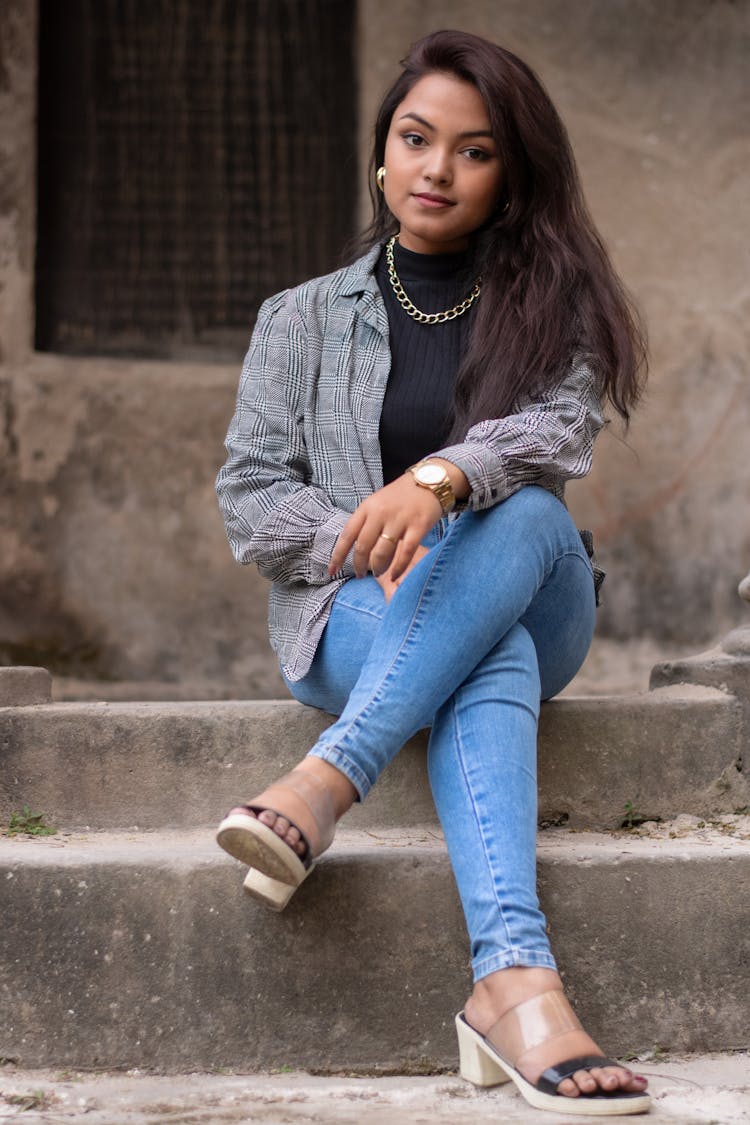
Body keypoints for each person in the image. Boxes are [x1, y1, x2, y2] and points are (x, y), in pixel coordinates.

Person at [215, 29, 650, 1117]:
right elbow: (252, 500)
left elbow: (558, 433)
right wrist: (375, 544)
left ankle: (325, 780)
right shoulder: (299, 319)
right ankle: (514, 984)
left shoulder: (552, 305)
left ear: (512, 177)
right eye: (415, 140)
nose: (435, 171)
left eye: (472, 151)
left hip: (534, 593)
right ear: (381, 154)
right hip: (355, 618)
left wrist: (442, 480)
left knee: (530, 508)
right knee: (480, 651)